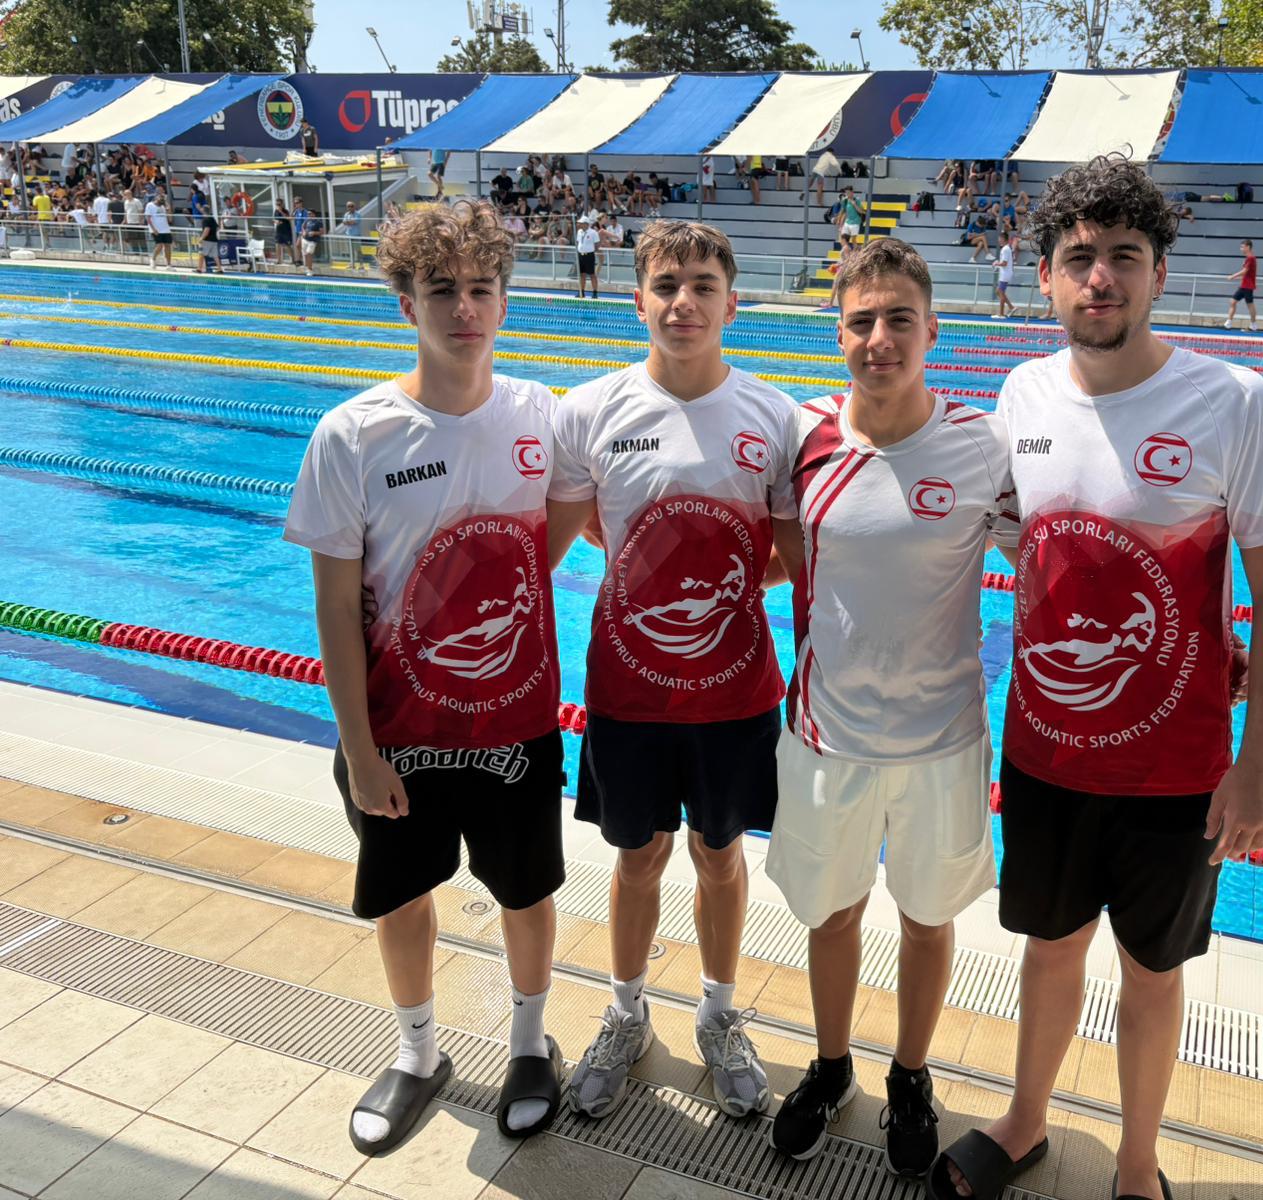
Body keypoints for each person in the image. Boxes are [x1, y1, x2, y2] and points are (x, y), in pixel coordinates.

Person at [930, 153, 1263, 1200]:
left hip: (1176, 770)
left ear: (1158, 274)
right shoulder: (1021, 392)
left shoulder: (1231, 402)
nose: (1099, 277)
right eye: (1079, 258)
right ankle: (1024, 1123)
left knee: (1152, 970)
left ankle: (1137, 1166)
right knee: (1049, 951)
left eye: (1124, 256)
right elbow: (1025, 540)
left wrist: (1260, 767)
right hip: (1046, 752)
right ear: (1045, 277)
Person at [283, 199, 569, 1157]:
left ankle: (529, 1047)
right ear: (406, 303)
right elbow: (335, 609)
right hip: (398, 732)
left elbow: (562, 531)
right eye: (441, 289)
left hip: (515, 725)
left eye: (481, 288)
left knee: (525, 892)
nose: (464, 308)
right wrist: (360, 752)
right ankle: (417, 1055)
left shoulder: (541, 416)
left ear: (505, 301)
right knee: (402, 897)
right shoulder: (354, 434)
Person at [765, 238, 1014, 1177]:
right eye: (862, 321)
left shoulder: (983, 447)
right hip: (825, 735)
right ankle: (832, 1068)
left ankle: (910, 1076)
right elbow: (761, 550)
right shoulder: (804, 439)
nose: (880, 338)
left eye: (898, 319)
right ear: (838, 334)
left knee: (925, 919)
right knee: (831, 915)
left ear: (932, 329)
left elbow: (1058, 562)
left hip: (942, 741)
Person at [546, 221, 793, 1126]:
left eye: (701, 285)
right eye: (665, 284)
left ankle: (720, 1017)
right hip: (628, 690)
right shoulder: (590, 411)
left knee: (720, 855)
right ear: (638, 299)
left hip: (735, 692)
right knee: (638, 854)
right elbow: (560, 540)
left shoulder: (775, 417)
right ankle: (625, 1013)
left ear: (732, 302)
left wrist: (715, 589)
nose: (683, 301)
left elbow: (788, 554)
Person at [1223, 238, 1258, 331]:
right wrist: (1237, 278)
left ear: (1248, 247)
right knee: (1233, 302)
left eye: (1242, 247)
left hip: (1247, 286)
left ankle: (1253, 324)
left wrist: (1232, 276)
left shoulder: (1250, 258)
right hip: (1245, 285)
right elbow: (1247, 273)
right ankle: (1228, 323)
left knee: (1250, 305)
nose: (1241, 249)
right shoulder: (1249, 258)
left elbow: (1245, 271)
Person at [144, 189, 173, 269]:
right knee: (159, 245)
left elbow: (170, 220)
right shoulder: (150, 205)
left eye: (163, 199)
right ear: (156, 198)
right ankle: (153, 259)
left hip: (165, 229)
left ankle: (168, 264)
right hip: (156, 229)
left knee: (167, 246)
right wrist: (153, 229)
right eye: (161, 198)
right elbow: (148, 218)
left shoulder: (164, 207)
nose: (162, 200)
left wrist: (169, 210)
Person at [574, 217, 600, 299]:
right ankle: (581, 291)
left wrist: (591, 251)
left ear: (586, 224)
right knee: (582, 274)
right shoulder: (579, 232)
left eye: (581, 223)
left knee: (592, 274)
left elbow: (597, 244)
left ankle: (595, 292)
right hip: (580, 255)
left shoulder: (593, 232)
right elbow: (578, 242)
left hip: (589, 255)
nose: (579, 224)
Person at [994, 231, 1018, 318]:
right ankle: (1011, 307)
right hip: (1005, 273)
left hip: (1005, 274)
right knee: (998, 291)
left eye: (1000, 239)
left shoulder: (1005, 249)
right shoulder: (1007, 248)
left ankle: (1001, 314)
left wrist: (996, 263)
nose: (999, 240)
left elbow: (1004, 263)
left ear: (1003, 239)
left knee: (1001, 292)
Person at [196, 207, 223, 274]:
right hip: (214, 240)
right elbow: (218, 228)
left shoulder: (205, 219)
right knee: (215, 256)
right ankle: (220, 269)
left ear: (203, 211)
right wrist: (212, 233)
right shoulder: (212, 218)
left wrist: (201, 238)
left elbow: (206, 230)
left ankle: (199, 269)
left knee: (201, 254)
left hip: (207, 240)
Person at [300, 207, 324, 276]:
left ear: (314, 214)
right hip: (305, 239)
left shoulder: (318, 222)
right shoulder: (307, 220)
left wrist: (314, 233)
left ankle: (310, 270)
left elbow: (322, 232)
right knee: (305, 255)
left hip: (312, 241)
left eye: (310, 214)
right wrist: (304, 232)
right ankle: (307, 268)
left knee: (309, 254)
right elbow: (303, 226)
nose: (308, 215)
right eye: (308, 214)